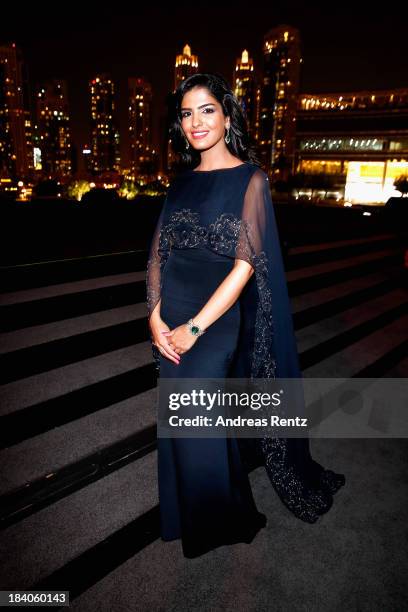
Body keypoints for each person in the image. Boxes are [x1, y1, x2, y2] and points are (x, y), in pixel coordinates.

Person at [146, 73, 345, 559]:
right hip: (170, 312)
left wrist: (195, 327)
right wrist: (154, 317)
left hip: (214, 320)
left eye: (207, 109)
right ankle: (200, 511)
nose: (196, 122)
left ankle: (220, 519)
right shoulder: (180, 183)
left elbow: (245, 264)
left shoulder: (251, 179)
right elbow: (157, 255)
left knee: (197, 424)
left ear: (228, 116)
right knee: (185, 423)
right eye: (187, 113)